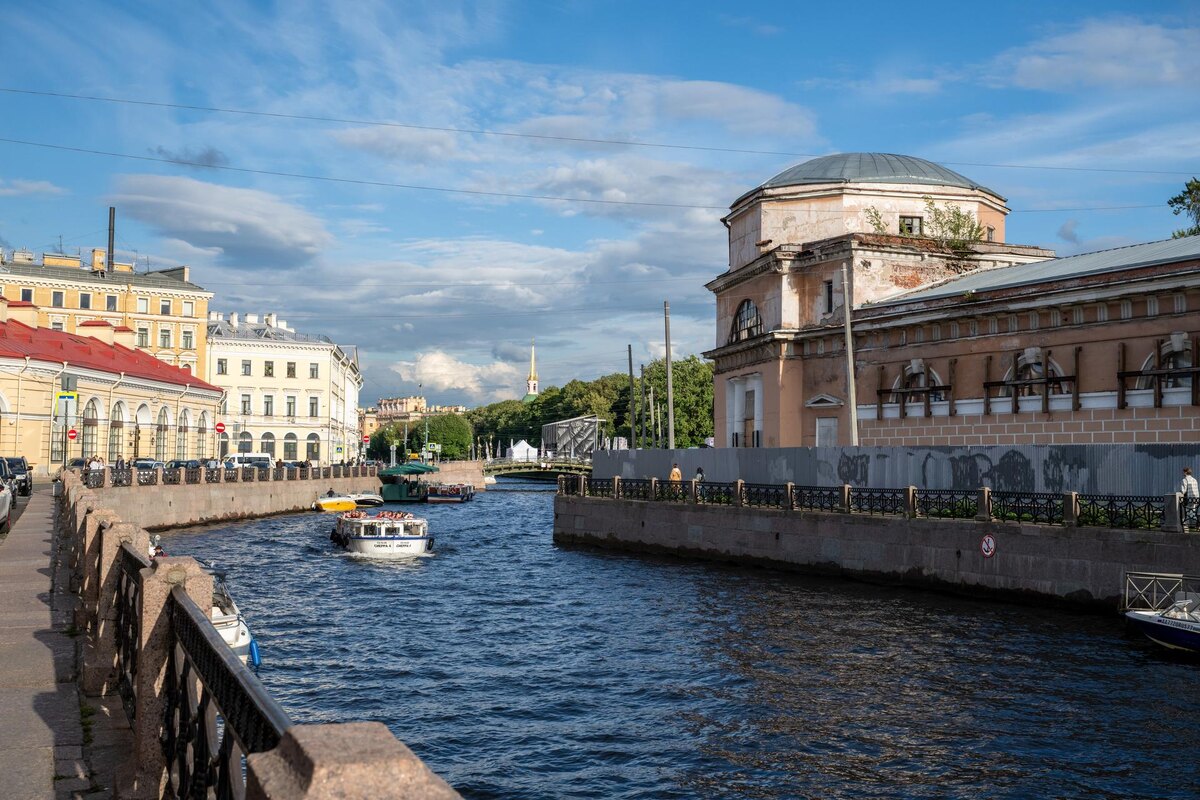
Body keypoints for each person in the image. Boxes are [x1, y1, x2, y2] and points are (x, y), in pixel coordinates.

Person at [1182, 467, 1199, 531]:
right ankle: (1197, 525)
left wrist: (1180, 492)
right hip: (1195, 499)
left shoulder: (1185, 480)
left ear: (1186, 472)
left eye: (1184, 472)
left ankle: (1186, 527)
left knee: (1187, 513)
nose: (1183, 473)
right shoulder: (1194, 479)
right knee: (1193, 512)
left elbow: (1183, 490)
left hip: (1188, 499)